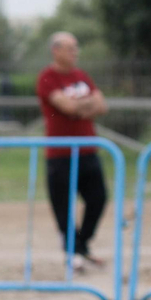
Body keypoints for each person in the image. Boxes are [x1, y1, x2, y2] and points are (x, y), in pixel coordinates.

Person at [35, 32, 109, 270]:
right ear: (56, 50)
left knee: (98, 198)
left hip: (88, 148)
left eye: (76, 48)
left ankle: (82, 244)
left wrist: (79, 108)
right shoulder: (47, 77)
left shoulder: (82, 76)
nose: (75, 52)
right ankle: (72, 252)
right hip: (60, 153)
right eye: (70, 48)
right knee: (63, 205)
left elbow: (102, 105)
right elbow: (66, 107)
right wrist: (84, 105)